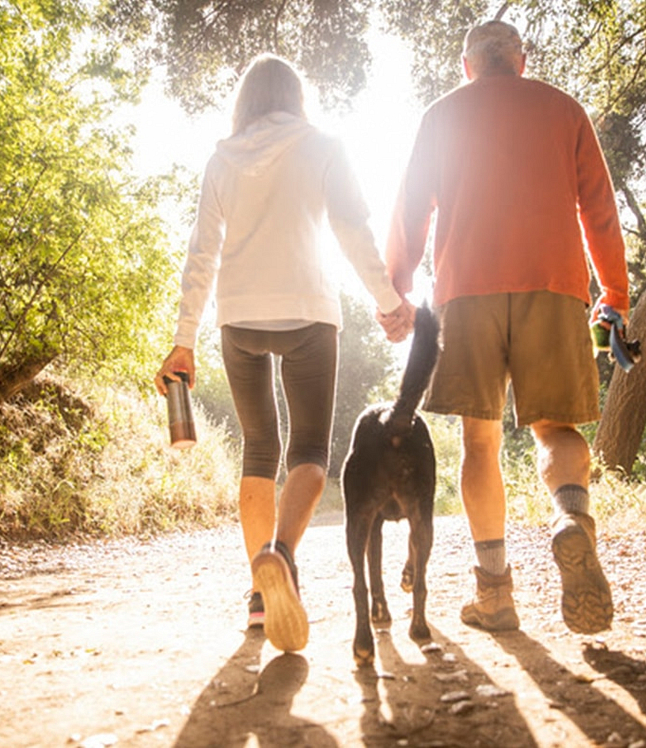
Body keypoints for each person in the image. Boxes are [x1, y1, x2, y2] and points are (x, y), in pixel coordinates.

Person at [155, 54, 412, 653]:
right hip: (307, 313)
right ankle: (282, 555)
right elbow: (352, 229)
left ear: (244, 101)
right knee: (311, 451)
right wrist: (389, 302)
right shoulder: (324, 145)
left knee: (258, 449)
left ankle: (257, 595)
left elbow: (201, 253)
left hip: (239, 318)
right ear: (298, 97)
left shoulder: (222, 159)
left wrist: (184, 339)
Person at [385, 20, 630, 634]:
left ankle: (495, 593)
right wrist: (614, 292)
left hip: (468, 290)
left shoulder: (441, 115)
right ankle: (571, 517)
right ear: (521, 61)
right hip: (554, 283)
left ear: (468, 66)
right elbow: (599, 209)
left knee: (480, 442)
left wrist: (396, 290)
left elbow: (411, 210)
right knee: (557, 428)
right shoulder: (564, 109)